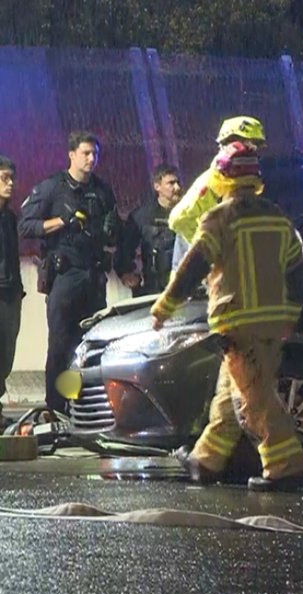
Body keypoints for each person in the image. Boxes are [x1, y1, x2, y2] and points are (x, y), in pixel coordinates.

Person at [152, 141, 303, 491]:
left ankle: (285, 467)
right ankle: (205, 461)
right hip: (271, 325)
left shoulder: (219, 219)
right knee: (229, 398)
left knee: (256, 402)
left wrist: (164, 307)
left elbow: (192, 269)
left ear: (222, 177)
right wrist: (291, 314)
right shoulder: (279, 218)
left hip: (237, 324)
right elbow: (298, 272)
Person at [18, 132, 118, 415]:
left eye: (94, 154)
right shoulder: (52, 188)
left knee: (88, 346)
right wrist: (61, 222)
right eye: (85, 153)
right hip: (65, 277)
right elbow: (26, 226)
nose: (91, 159)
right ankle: (57, 407)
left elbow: (112, 233)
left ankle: (83, 407)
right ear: (71, 155)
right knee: (61, 344)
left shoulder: (102, 190)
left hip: (93, 277)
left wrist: (111, 230)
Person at [168, 116, 266, 271]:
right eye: (249, 145)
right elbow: (178, 219)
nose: (253, 151)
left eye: (255, 147)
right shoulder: (211, 182)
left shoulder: (244, 180)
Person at [115, 164, 183, 296]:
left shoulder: (190, 213)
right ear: (157, 186)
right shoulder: (142, 216)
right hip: (154, 288)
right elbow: (125, 249)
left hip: (185, 286)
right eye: (171, 183)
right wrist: (126, 273)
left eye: (179, 182)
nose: (177, 188)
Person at [0, 156, 23, 409]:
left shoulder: (9, 217)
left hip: (10, 293)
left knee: (6, 354)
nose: (10, 183)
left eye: (12, 178)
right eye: (4, 178)